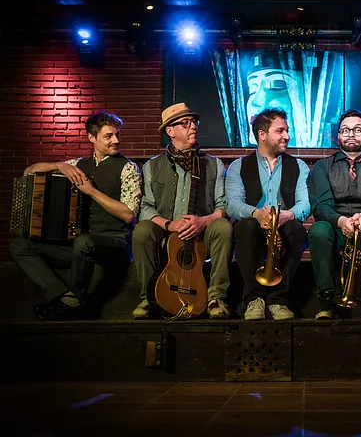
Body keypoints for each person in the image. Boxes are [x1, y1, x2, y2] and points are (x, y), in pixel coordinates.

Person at [9, 111, 142, 320]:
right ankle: (64, 296)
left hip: (115, 244)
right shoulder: (78, 164)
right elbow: (29, 171)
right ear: (92, 137)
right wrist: (59, 165)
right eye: (108, 136)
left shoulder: (128, 168)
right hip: (78, 246)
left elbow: (128, 215)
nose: (116, 140)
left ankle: (74, 303)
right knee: (19, 245)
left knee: (84, 242)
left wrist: (91, 191)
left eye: (117, 135)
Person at [131, 103, 233, 320]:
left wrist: (204, 221)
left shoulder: (214, 164)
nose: (193, 126)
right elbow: (145, 207)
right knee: (142, 231)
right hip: (166, 229)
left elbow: (224, 206)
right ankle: (148, 298)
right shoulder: (152, 166)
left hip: (202, 229)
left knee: (223, 227)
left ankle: (216, 297)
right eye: (185, 123)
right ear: (170, 131)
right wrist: (169, 224)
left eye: (194, 122)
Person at [308, 109, 361, 319]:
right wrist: (341, 221)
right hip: (335, 228)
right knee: (318, 230)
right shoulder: (322, 167)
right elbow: (320, 207)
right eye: (345, 130)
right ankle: (326, 299)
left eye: (357, 130)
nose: (351, 134)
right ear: (338, 136)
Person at [225, 107, 310, 320]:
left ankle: (278, 299)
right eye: (280, 131)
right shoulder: (238, 166)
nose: (287, 136)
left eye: (287, 131)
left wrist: (288, 215)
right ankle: (254, 298)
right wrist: (256, 213)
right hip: (253, 227)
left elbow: (305, 203)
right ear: (262, 135)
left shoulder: (299, 166)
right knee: (245, 225)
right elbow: (232, 204)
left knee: (296, 229)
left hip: (284, 226)